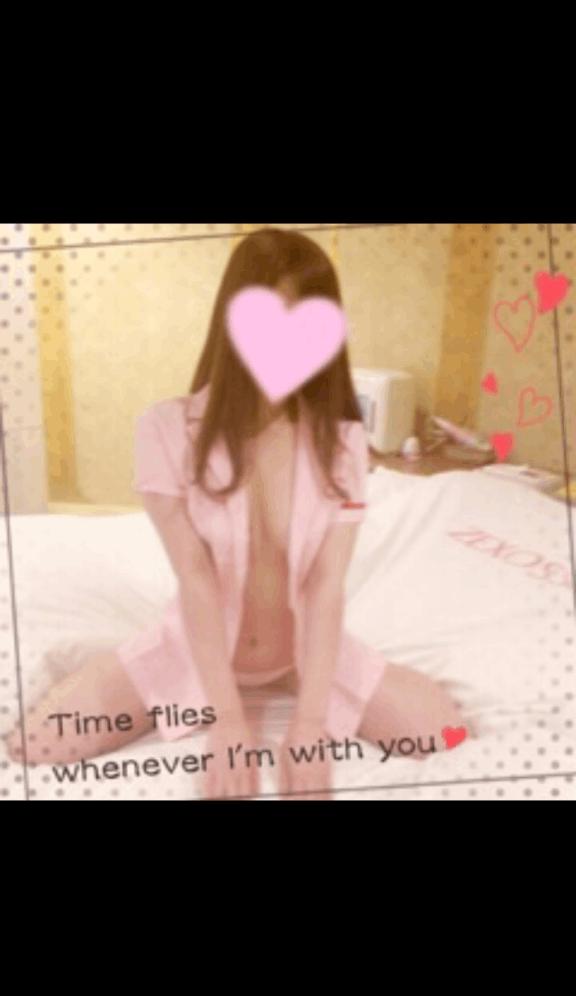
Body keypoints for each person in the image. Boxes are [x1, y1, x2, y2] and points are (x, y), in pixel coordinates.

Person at [4, 227, 469, 800]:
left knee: (445, 733)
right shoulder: (166, 429)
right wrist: (228, 720)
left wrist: (310, 721)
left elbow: (325, 585)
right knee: (36, 745)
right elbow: (196, 577)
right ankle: (128, 673)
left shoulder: (342, 442)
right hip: (195, 648)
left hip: (299, 656)